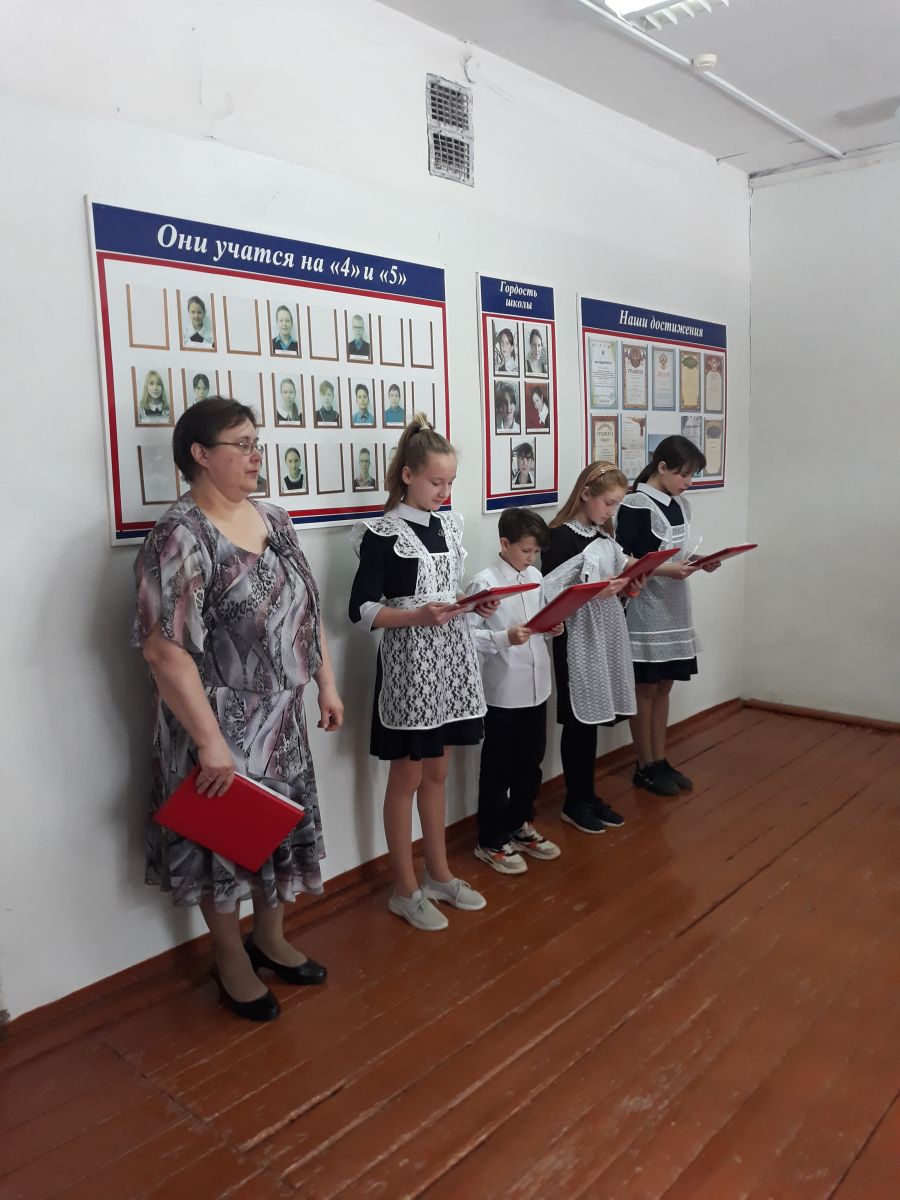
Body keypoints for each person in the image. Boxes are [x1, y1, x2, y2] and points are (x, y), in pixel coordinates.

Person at [132, 397, 344, 1022]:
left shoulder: (274, 517)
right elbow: (164, 650)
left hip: (281, 721)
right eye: (242, 444)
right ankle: (229, 957)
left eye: (257, 443)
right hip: (215, 726)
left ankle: (270, 939)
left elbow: (305, 610)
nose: (256, 455)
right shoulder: (180, 535)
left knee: (273, 831)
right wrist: (209, 743)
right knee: (220, 845)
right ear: (200, 455)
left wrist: (326, 683)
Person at [349, 414, 497, 931]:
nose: (444, 491)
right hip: (410, 667)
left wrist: (471, 603)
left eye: (450, 482)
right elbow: (361, 610)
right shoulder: (382, 534)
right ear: (408, 475)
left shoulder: (449, 526)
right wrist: (417, 617)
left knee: (437, 772)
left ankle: (439, 873)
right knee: (407, 776)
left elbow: (445, 592)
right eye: (437, 481)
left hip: (451, 662)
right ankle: (404, 888)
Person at [540, 461, 647, 835]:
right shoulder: (560, 537)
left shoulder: (603, 535)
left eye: (616, 505)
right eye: (608, 503)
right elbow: (549, 593)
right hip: (575, 636)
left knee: (594, 718)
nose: (611, 512)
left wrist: (628, 587)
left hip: (603, 633)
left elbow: (616, 575)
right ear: (585, 494)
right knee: (578, 721)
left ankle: (587, 794)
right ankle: (574, 801)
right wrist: (596, 593)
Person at [615, 435, 717, 797]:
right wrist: (665, 570)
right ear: (661, 467)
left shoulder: (680, 504)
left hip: (675, 605)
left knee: (664, 686)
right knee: (645, 687)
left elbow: (680, 552)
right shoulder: (635, 505)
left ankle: (659, 758)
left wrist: (700, 562)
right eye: (683, 474)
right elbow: (621, 559)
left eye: (691, 476)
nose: (688, 482)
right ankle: (644, 764)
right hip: (645, 607)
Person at [465, 507, 564, 875]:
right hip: (503, 691)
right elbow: (465, 637)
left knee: (530, 762)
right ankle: (490, 839)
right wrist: (503, 638)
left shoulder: (536, 577)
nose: (531, 558)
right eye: (525, 550)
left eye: (535, 551)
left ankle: (520, 823)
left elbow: (537, 620)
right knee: (498, 769)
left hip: (537, 686)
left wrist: (552, 627)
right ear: (505, 543)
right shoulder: (484, 583)